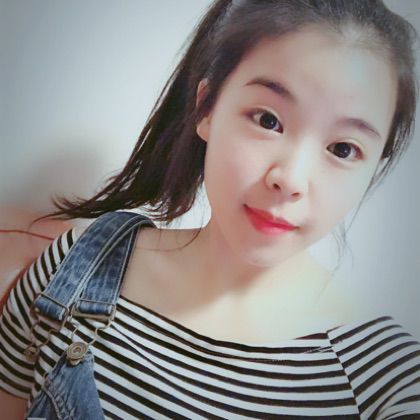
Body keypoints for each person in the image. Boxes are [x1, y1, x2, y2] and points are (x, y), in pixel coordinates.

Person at [1, 0, 419, 418]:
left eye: (343, 149)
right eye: (267, 120)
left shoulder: (385, 380)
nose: (290, 179)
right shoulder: (72, 271)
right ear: (206, 108)